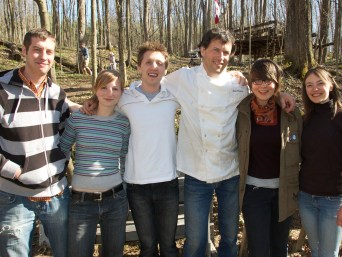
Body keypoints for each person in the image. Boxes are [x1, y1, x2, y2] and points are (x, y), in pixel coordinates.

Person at [162, 28, 295, 257]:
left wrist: (281, 96)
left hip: (230, 172)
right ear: (202, 50)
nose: (220, 57)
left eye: (226, 52)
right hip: (196, 173)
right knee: (195, 240)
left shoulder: (238, 84)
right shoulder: (183, 78)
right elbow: (150, 86)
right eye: (215, 50)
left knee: (230, 237)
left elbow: (262, 93)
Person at [0, 28, 71, 257]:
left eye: (49, 51)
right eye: (37, 50)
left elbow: (65, 134)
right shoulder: (2, 89)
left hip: (56, 194)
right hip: (14, 197)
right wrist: (14, 171)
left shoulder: (57, 94)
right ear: (24, 51)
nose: (44, 57)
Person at [117, 41, 180, 257]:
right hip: (137, 185)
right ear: (139, 67)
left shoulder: (174, 95)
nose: (154, 67)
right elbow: (99, 106)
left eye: (160, 63)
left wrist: (238, 78)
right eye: (149, 62)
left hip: (168, 182)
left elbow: (206, 96)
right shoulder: (124, 98)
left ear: (165, 69)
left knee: (169, 246)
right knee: (147, 247)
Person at [236, 59, 302, 257]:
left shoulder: (290, 113)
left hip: (284, 192)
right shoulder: (241, 111)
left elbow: (307, 147)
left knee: (279, 247)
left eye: (268, 81)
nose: (262, 86)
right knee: (259, 249)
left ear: (277, 83)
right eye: (257, 81)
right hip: (253, 192)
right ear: (250, 83)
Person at [60, 70, 130, 257]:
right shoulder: (79, 119)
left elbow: (124, 158)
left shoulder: (123, 123)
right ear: (95, 89)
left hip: (115, 201)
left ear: (122, 92)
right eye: (104, 87)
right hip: (81, 203)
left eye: (116, 88)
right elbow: (62, 151)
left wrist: (123, 186)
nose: (110, 93)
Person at [298, 67, 342, 257]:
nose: (315, 89)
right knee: (316, 250)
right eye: (309, 85)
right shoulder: (305, 121)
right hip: (306, 198)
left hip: (333, 201)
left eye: (320, 83)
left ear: (331, 86)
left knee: (328, 254)